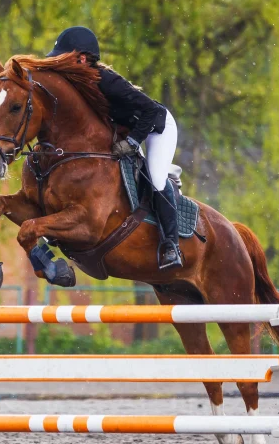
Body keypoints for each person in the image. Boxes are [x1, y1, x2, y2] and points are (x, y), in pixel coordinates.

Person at [47, 26, 183, 269]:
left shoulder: (108, 81)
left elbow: (150, 111)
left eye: (63, 57)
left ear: (81, 58)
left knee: (155, 178)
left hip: (156, 127)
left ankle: (171, 244)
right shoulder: (79, 83)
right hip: (130, 129)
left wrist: (132, 142)